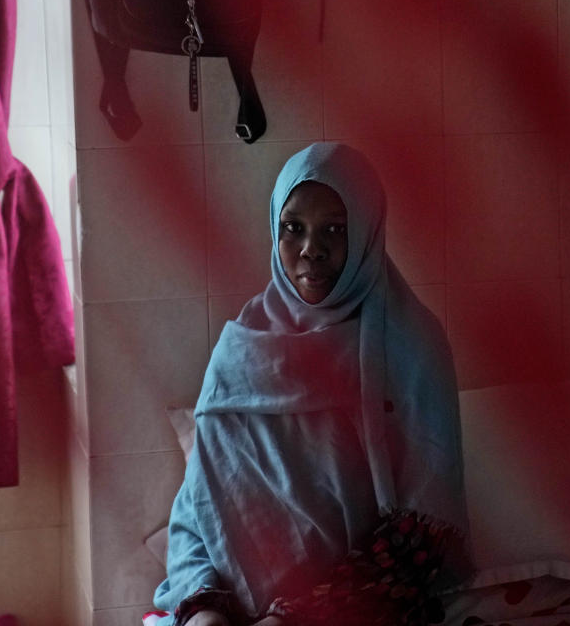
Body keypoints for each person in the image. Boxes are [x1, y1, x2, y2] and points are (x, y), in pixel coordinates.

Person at [153, 143, 471, 626]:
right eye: (293, 229)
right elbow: (199, 509)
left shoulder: (412, 346)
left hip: (359, 595)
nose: (311, 250)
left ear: (367, 233)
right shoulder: (243, 349)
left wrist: (298, 614)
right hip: (233, 600)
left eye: (335, 231)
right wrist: (203, 605)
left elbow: (420, 534)